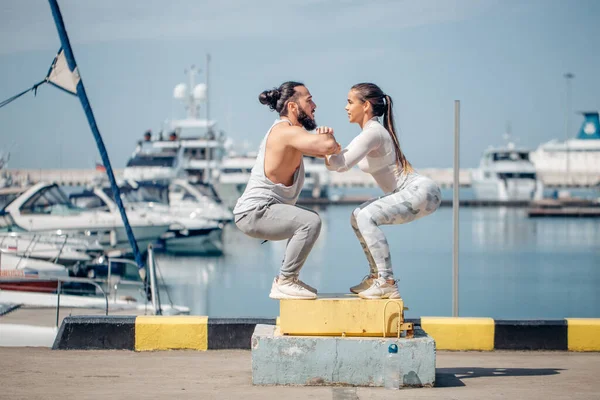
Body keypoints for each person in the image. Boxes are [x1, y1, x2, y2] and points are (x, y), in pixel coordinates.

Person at [325, 83, 441, 299]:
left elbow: (340, 164)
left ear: (366, 105)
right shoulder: (371, 133)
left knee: (367, 215)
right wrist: (324, 147)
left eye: (350, 102)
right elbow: (338, 161)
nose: (345, 107)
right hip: (415, 192)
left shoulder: (374, 132)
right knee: (357, 216)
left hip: (420, 191)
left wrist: (321, 144)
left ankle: (387, 281)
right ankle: (376, 276)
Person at [233, 81, 341, 300]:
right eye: (309, 100)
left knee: (308, 222)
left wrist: (328, 142)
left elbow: (331, 153)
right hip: (254, 212)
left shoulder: (295, 138)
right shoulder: (284, 132)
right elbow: (328, 147)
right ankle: (285, 281)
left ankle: (288, 280)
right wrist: (327, 136)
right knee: (310, 222)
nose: (315, 105)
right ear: (293, 107)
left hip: (260, 212)